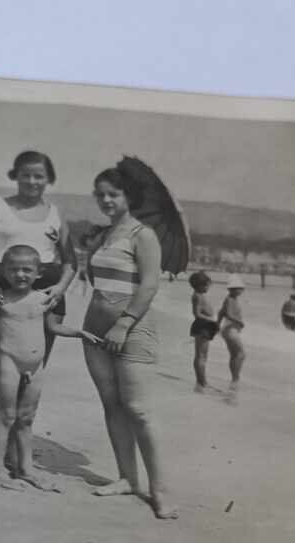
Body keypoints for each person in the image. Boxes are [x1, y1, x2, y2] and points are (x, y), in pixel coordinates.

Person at [0, 151, 75, 474]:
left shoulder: (56, 214)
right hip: (0, 291)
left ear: (48, 179)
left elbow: (71, 261)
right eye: (25, 174)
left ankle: (13, 456)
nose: (32, 181)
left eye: (39, 176)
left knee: (27, 378)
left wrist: (60, 289)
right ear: (15, 175)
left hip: (45, 298)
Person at [81, 167, 176, 519]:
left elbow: (149, 286)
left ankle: (160, 490)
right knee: (112, 406)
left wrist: (123, 325)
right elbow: (96, 279)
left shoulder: (143, 234)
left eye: (113, 194)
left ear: (128, 197)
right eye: (100, 194)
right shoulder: (104, 234)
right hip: (93, 328)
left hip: (131, 329)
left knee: (138, 410)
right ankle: (126, 478)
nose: (106, 200)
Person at [0, 245, 100, 491]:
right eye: (13, 270)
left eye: (27, 270)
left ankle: (25, 468)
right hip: (10, 363)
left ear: (38, 273)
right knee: (6, 415)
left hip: (36, 366)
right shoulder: (0, 298)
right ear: (4, 272)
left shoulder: (44, 299)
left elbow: (53, 328)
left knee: (26, 418)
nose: (20, 275)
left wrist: (78, 332)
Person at [187, 271, 218, 392]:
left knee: (203, 356)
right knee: (201, 356)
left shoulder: (200, 294)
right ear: (199, 285)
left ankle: (202, 381)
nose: (208, 288)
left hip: (206, 326)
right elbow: (197, 314)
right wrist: (211, 319)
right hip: (202, 326)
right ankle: (201, 382)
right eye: (206, 285)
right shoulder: (197, 296)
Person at [218, 275, 247, 392]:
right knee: (241, 354)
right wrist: (240, 322)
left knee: (235, 355)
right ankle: (235, 379)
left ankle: (234, 380)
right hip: (231, 329)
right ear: (233, 289)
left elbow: (220, 313)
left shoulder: (230, 299)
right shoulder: (230, 299)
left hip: (228, 329)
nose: (241, 290)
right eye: (239, 288)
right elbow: (229, 314)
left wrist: (217, 325)